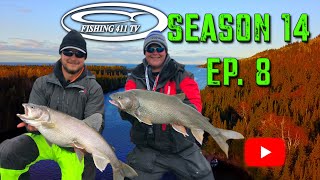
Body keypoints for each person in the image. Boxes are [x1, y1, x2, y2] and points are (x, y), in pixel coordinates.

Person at [0, 30, 105, 180]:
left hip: (74, 146)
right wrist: (32, 126)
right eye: (68, 52)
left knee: (81, 174)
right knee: (8, 151)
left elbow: (96, 124)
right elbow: (36, 124)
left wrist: (87, 146)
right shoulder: (42, 83)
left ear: (85, 57)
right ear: (61, 53)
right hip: (45, 137)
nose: (73, 58)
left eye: (79, 54)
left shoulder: (93, 88)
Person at [120, 30, 214, 180]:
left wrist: (181, 118)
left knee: (205, 176)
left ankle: (218, 135)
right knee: (131, 176)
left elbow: (195, 104)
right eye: (150, 49)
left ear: (166, 51)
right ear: (145, 52)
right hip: (148, 149)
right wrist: (124, 109)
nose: (155, 52)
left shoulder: (183, 75)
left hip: (182, 147)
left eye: (159, 48)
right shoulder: (135, 77)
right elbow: (128, 115)